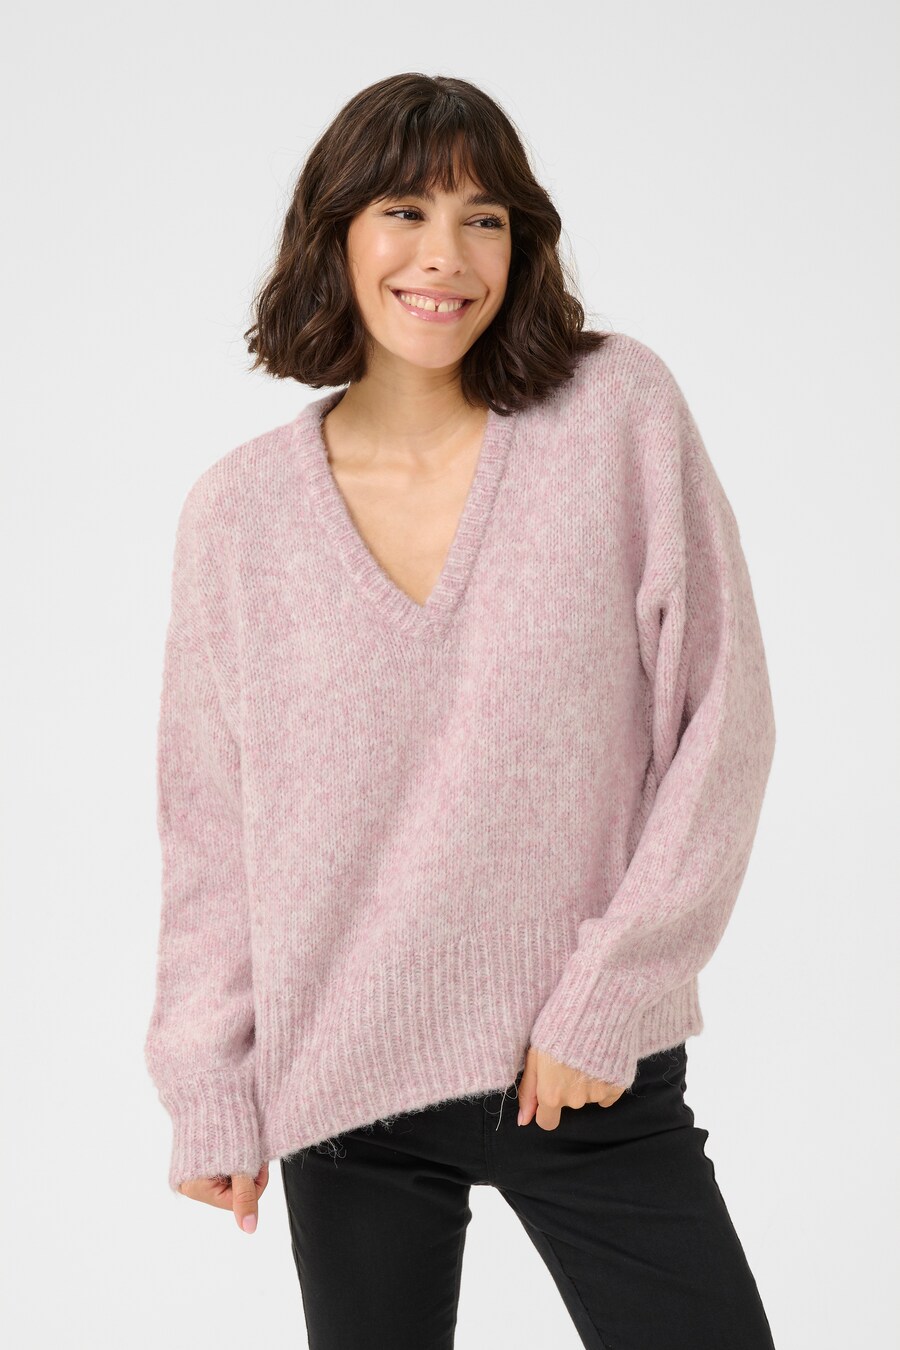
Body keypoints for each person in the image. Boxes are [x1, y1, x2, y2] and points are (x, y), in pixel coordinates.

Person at [143, 72, 778, 1349]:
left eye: (483, 218)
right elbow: (211, 827)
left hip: (584, 1073)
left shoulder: (617, 415)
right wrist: (211, 1084)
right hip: (344, 1101)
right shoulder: (238, 515)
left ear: (521, 243)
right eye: (405, 212)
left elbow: (722, 722)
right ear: (335, 235)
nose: (446, 255)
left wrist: (609, 998)